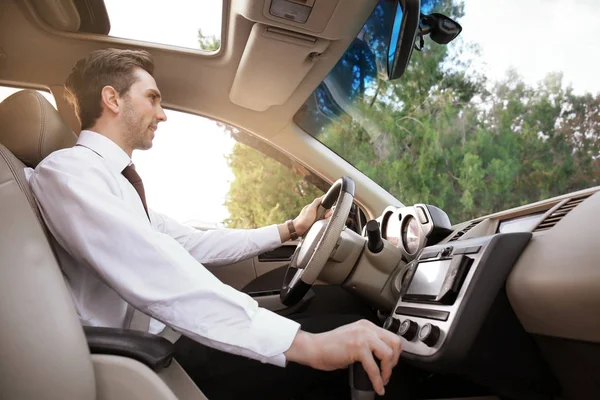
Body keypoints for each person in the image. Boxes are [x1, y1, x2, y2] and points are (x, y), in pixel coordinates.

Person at [28, 48, 402, 399]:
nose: (162, 114)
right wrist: (308, 346)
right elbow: (154, 269)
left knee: (339, 303)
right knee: (366, 344)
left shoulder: (111, 181)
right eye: (152, 98)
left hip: (172, 335)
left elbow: (195, 244)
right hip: (152, 357)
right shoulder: (68, 174)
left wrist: (292, 228)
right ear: (112, 99)